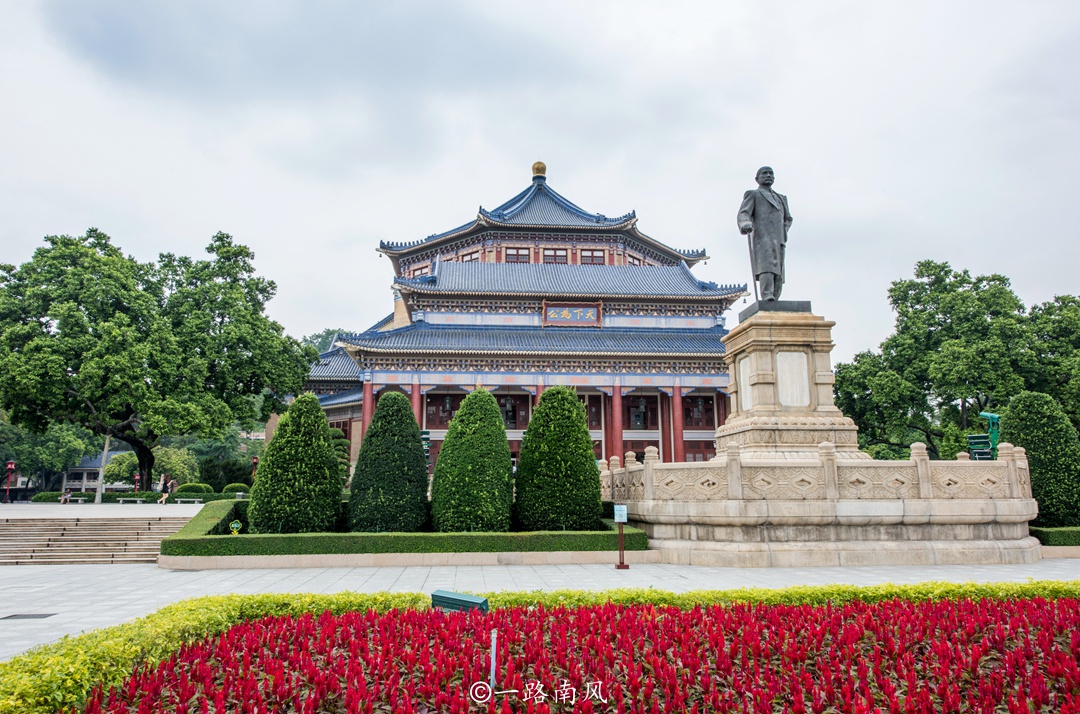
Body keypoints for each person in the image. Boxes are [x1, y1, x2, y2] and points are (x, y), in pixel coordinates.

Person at [737, 166, 793, 302]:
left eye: (771, 173)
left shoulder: (782, 198)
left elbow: (788, 218)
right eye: (764, 173)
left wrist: (784, 230)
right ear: (757, 179)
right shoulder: (753, 194)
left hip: (779, 237)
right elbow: (744, 213)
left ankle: (776, 295)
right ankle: (767, 294)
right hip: (763, 237)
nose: (768, 175)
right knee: (766, 266)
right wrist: (745, 223)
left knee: (779, 269)